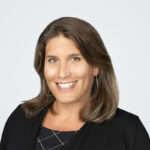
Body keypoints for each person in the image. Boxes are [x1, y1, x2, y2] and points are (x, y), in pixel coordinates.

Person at [0, 17, 150, 150]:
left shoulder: (128, 131)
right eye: (53, 60)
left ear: (96, 66)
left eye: (75, 59)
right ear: (42, 66)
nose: (63, 73)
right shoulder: (21, 117)